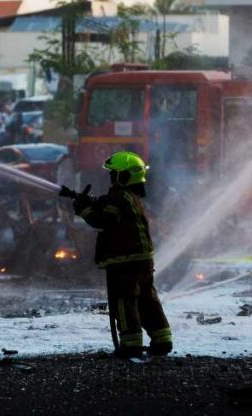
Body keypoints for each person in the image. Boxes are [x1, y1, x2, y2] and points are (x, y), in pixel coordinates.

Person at [60, 151, 172, 358]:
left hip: (125, 261)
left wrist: (83, 210)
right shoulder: (131, 197)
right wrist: (80, 197)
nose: (111, 178)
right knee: (147, 301)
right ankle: (162, 340)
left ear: (125, 176)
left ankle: (131, 346)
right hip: (142, 259)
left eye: (114, 175)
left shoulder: (120, 196)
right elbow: (104, 202)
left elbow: (105, 220)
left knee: (125, 302)